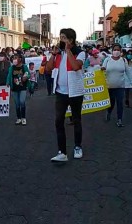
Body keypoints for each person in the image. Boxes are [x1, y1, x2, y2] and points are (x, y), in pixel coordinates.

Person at [46, 28, 86, 162]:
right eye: (60, 37)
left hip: (75, 92)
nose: (61, 40)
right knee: (58, 121)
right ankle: (62, 152)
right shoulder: (58, 53)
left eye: (63, 37)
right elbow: (48, 68)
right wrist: (53, 55)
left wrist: (68, 50)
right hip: (60, 92)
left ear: (71, 40)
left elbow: (75, 67)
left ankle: (77, 147)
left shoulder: (80, 53)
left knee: (76, 120)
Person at [102, 43, 132, 127]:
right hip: (109, 86)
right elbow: (102, 70)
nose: (116, 51)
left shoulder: (123, 60)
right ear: (112, 51)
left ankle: (119, 120)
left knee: (120, 103)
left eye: (118, 50)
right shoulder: (107, 60)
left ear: (121, 51)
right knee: (111, 103)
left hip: (120, 86)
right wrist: (101, 69)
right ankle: (109, 112)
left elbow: (128, 72)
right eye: (114, 49)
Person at [6, 53, 30, 125]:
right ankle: (19, 118)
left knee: (22, 102)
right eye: (13, 58)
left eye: (16, 58)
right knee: (17, 104)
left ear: (20, 59)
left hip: (22, 87)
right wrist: (7, 82)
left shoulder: (24, 66)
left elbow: (28, 74)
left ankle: (23, 118)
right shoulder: (11, 68)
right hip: (14, 88)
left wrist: (26, 77)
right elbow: (9, 76)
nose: (14, 59)